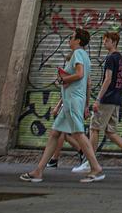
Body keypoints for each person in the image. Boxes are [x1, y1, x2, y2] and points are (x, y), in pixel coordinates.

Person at [20, 28, 105, 183]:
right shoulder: (85, 56)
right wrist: (86, 104)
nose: (69, 40)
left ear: (78, 40)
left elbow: (79, 75)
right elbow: (87, 81)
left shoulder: (78, 53)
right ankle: (38, 171)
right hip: (71, 102)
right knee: (55, 134)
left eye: (71, 37)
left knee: (78, 134)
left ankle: (96, 168)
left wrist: (63, 80)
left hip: (72, 101)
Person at [86, 31, 122, 174]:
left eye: (106, 40)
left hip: (108, 98)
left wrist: (98, 99)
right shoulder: (120, 58)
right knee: (110, 131)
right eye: (104, 40)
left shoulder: (111, 58)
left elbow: (108, 79)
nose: (104, 43)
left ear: (114, 42)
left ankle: (89, 162)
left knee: (94, 128)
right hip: (117, 98)